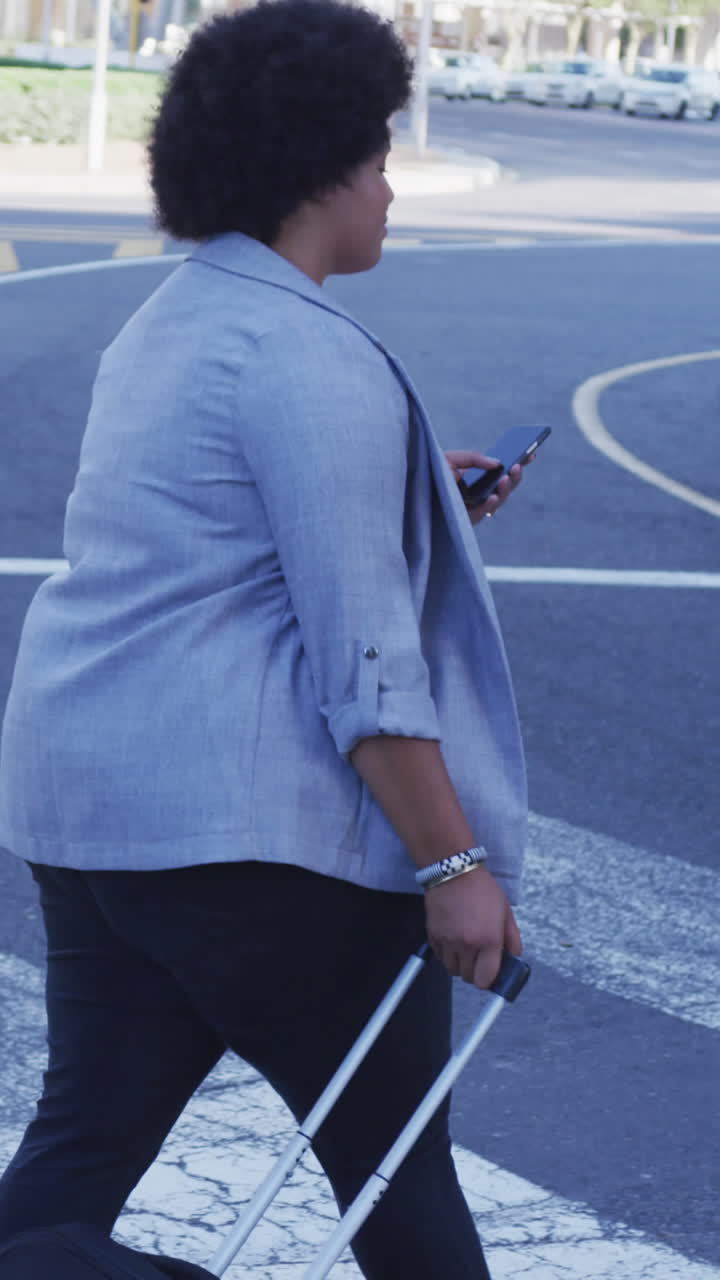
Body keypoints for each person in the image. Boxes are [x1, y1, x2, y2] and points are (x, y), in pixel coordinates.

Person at [0, 2, 529, 1276]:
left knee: (75, 1160)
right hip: (257, 846)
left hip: (102, 827)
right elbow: (367, 659)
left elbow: (207, 536)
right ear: (319, 166)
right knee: (401, 1182)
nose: (392, 188)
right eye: (380, 156)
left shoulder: (174, 319)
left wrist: (412, 489)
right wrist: (453, 861)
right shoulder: (307, 351)